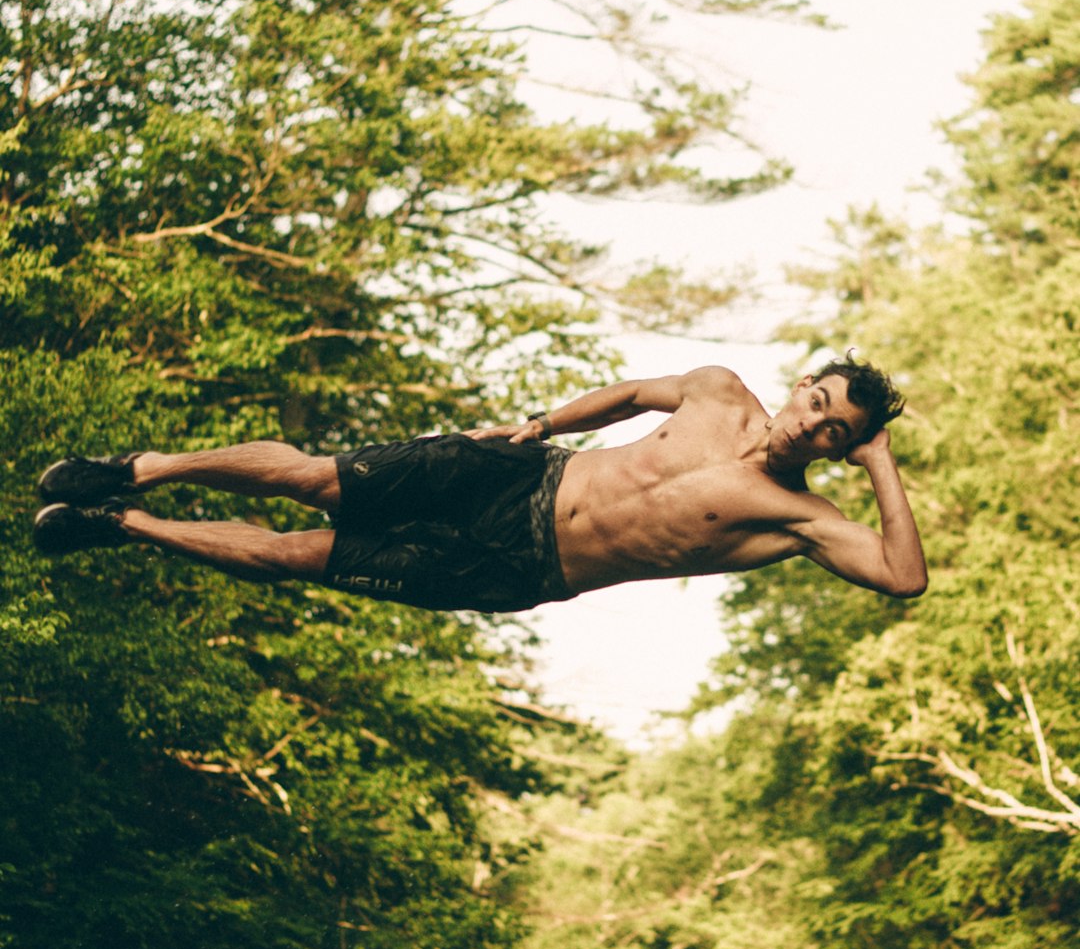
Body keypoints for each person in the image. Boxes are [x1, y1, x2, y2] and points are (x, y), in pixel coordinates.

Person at [32, 354, 927, 609]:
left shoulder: (796, 518)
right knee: (312, 479)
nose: (811, 421)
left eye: (835, 430)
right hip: (513, 474)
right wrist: (544, 423)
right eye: (818, 400)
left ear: (841, 446)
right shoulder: (718, 388)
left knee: (299, 555)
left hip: (520, 568)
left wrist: (881, 461)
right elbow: (626, 396)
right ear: (805, 381)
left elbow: (903, 578)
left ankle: (120, 524)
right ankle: (137, 469)